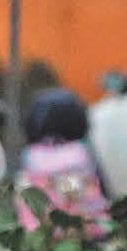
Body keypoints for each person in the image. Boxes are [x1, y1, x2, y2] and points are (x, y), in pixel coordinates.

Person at [13, 87, 111, 232]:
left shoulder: (29, 156)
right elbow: (101, 193)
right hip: (84, 230)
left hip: (38, 231)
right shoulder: (80, 153)